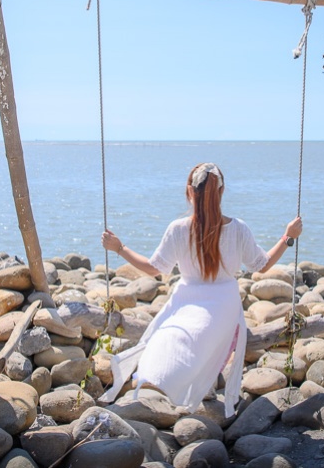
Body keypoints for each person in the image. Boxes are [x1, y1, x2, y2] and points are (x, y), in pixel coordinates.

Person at [98, 162, 302, 416]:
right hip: (224, 304)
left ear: (188, 191)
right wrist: (287, 237)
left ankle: (162, 385)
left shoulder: (178, 229)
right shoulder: (238, 229)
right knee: (198, 339)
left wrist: (119, 248)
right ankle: (193, 386)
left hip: (187, 299)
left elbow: (153, 269)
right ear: (222, 192)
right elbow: (262, 265)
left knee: (171, 339)